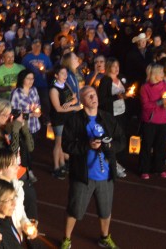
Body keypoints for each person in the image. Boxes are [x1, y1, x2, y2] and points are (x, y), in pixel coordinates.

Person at [60, 86, 125, 249]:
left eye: (94, 95)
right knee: (75, 210)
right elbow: (66, 145)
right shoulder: (74, 120)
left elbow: (121, 140)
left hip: (106, 175)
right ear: (82, 101)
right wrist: (87, 145)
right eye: (88, 96)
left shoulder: (108, 119)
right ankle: (66, 239)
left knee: (105, 211)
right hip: (83, 175)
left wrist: (109, 146)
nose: (93, 98)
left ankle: (104, 237)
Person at [0, 99, 37, 219]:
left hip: (22, 176)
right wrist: (14, 131)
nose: (10, 117)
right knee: (13, 215)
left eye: (10, 114)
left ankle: (28, 237)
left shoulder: (7, 128)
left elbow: (30, 147)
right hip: (5, 182)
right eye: (6, 115)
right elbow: (9, 159)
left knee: (31, 214)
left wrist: (23, 129)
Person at [139, 63, 166, 179]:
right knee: (147, 145)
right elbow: (145, 105)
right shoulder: (145, 87)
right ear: (154, 74)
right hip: (150, 121)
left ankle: (159, 168)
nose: (163, 74)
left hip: (163, 120)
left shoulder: (164, 85)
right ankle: (144, 169)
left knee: (161, 146)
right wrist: (159, 103)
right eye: (161, 72)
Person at [49, 65, 81, 180]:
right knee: (58, 143)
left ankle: (62, 164)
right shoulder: (54, 90)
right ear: (56, 75)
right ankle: (56, 167)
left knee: (63, 142)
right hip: (59, 119)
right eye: (62, 74)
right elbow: (58, 108)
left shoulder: (66, 85)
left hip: (67, 118)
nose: (65, 76)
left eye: (65, 74)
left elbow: (75, 98)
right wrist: (74, 108)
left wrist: (71, 102)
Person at [97, 58, 127, 178]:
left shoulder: (120, 79)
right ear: (109, 67)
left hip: (121, 112)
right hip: (111, 115)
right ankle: (113, 164)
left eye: (118, 66)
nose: (117, 68)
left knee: (120, 138)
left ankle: (117, 162)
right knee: (112, 139)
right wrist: (117, 97)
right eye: (114, 66)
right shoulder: (105, 80)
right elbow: (102, 100)